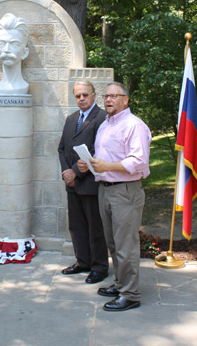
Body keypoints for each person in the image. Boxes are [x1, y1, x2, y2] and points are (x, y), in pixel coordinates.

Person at [78, 82, 151, 311]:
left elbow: (139, 161)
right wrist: (87, 163)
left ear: (125, 100)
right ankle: (120, 284)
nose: (108, 100)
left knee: (126, 245)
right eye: (106, 96)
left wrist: (108, 165)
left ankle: (130, 295)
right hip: (106, 189)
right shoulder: (106, 125)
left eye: (114, 96)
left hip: (125, 191)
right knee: (113, 242)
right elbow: (102, 157)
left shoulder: (134, 125)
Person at [58, 81, 109, 284]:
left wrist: (75, 173)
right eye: (78, 96)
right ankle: (82, 262)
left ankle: (99, 267)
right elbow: (61, 148)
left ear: (94, 96)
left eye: (85, 95)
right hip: (71, 184)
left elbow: (101, 150)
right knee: (77, 226)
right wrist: (65, 172)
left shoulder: (103, 118)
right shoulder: (71, 119)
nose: (81, 99)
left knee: (95, 228)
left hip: (90, 183)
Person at [0, 13, 29, 94]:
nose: (6, 49)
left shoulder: (24, 86)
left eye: (14, 44)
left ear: (25, 53)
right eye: (2, 43)